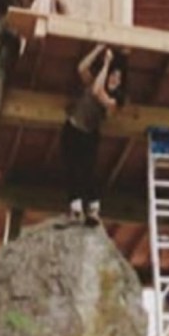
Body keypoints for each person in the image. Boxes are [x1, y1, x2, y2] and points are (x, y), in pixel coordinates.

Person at [57, 43, 127, 227]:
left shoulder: (116, 100)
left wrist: (106, 65)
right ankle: (76, 208)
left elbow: (98, 92)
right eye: (113, 75)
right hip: (72, 127)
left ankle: (94, 209)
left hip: (89, 134)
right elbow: (82, 68)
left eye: (118, 78)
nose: (114, 79)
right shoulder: (94, 82)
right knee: (71, 168)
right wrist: (98, 48)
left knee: (88, 172)